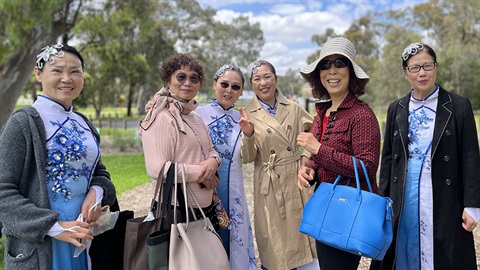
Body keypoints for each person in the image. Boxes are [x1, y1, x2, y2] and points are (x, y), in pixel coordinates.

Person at [0, 43, 117, 270]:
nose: (67, 78)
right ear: (38, 73)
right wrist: (55, 227)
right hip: (44, 244)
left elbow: (99, 173)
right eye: (57, 70)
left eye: (75, 71)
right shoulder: (23, 122)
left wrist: (97, 191)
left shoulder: (84, 123)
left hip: (86, 238)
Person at [370, 43, 480, 270]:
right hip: (404, 195)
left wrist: (472, 205)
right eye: (415, 68)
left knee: (443, 254)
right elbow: (388, 157)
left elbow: (471, 157)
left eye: (427, 65)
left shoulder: (458, 106)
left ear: (436, 67)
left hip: (442, 195)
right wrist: (382, 201)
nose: (422, 73)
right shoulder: (396, 108)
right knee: (403, 251)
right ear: (405, 73)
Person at [297, 37, 381, 270]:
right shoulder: (322, 111)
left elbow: (366, 168)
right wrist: (308, 170)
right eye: (325, 65)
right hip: (324, 204)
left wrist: (318, 149)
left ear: (351, 72)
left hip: (346, 210)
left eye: (339, 63)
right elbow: (316, 160)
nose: (331, 71)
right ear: (318, 75)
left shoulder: (361, 114)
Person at [239, 60, 318, 270]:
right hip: (269, 183)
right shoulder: (248, 113)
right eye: (257, 79)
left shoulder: (293, 107)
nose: (263, 83)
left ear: (276, 79)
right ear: (252, 84)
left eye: (267, 76)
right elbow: (248, 157)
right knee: (276, 241)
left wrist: (306, 158)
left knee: (306, 236)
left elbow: (316, 131)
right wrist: (247, 135)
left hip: (296, 177)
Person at [140, 53, 222, 234]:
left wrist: (214, 162)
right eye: (181, 76)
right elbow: (157, 169)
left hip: (204, 212)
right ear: (168, 80)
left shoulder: (196, 118)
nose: (188, 83)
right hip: (175, 213)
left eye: (194, 78)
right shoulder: (160, 117)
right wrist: (202, 172)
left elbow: (210, 150)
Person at [196, 64, 257, 269]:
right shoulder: (197, 114)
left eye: (235, 87)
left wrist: (248, 134)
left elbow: (248, 157)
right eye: (224, 84)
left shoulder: (242, 118)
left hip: (233, 191)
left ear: (241, 92)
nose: (229, 90)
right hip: (201, 187)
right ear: (214, 85)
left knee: (233, 235)